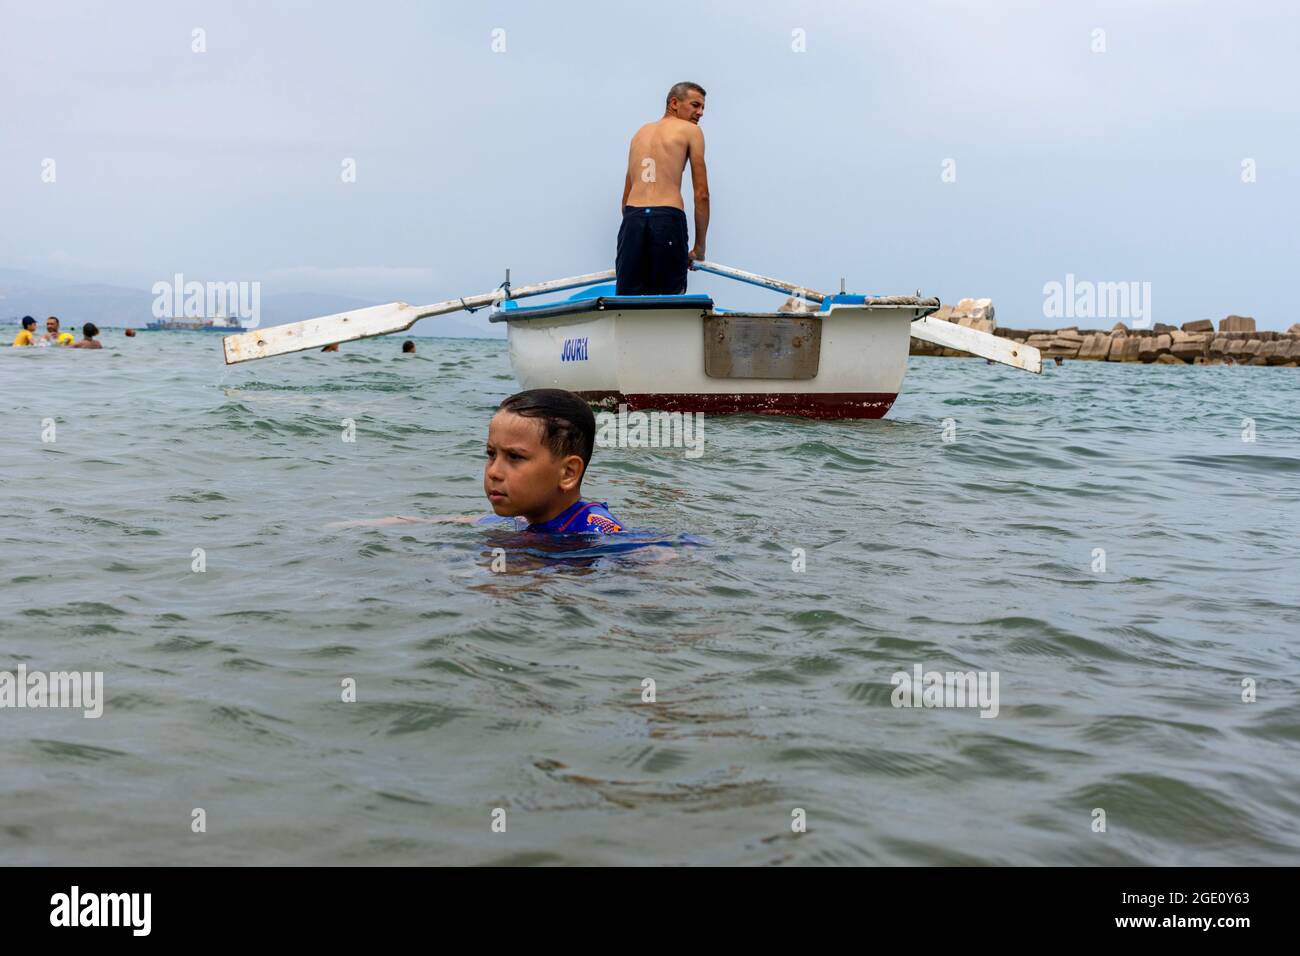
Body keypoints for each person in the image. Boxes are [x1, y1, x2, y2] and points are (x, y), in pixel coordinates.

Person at [328, 389, 624, 535]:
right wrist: (366, 526)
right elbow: (451, 520)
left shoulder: (595, 527)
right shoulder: (523, 518)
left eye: (515, 458)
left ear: (568, 472)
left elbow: (650, 555)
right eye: (491, 454)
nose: (494, 472)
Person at [616, 81, 710, 295]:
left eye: (703, 108)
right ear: (674, 103)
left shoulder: (640, 133)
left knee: (628, 301)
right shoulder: (691, 131)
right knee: (669, 301)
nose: (700, 113)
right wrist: (699, 248)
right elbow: (702, 194)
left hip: (633, 219)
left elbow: (626, 197)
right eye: (695, 105)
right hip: (667, 218)